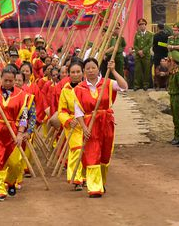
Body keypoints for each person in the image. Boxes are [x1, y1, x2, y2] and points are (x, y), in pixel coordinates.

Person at [73, 58, 128, 197]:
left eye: (93, 68)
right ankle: (94, 188)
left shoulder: (108, 84)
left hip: (106, 123)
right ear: (84, 71)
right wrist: (84, 127)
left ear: (98, 69)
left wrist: (114, 70)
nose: (91, 71)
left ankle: (101, 181)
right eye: (88, 68)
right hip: (90, 123)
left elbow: (124, 86)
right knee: (92, 153)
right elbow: (78, 111)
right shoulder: (79, 88)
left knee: (105, 155)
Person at [0, 66, 33, 201]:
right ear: (0, 79)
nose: (8, 83)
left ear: (15, 80)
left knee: (15, 162)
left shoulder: (21, 95)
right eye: (5, 80)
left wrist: (20, 133)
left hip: (12, 131)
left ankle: (10, 181)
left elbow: (24, 117)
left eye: (11, 81)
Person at [57, 61, 85, 190]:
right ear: (69, 74)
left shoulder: (87, 87)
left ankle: (86, 176)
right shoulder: (65, 90)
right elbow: (61, 111)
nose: (75, 74)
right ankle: (76, 178)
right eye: (73, 72)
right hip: (73, 124)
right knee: (77, 149)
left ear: (82, 72)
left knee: (88, 149)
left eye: (78, 71)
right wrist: (68, 120)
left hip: (87, 122)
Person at [133, 18, 153, 91]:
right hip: (138, 55)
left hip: (146, 55)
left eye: (143, 24)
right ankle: (136, 85)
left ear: (145, 25)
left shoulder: (150, 34)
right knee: (137, 70)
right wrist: (138, 51)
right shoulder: (137, 34)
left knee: (146, 70)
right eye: (140, 24)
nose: (142, 26)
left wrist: (143, 51)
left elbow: (149, 44)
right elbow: (135, 45)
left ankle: (145, 84)